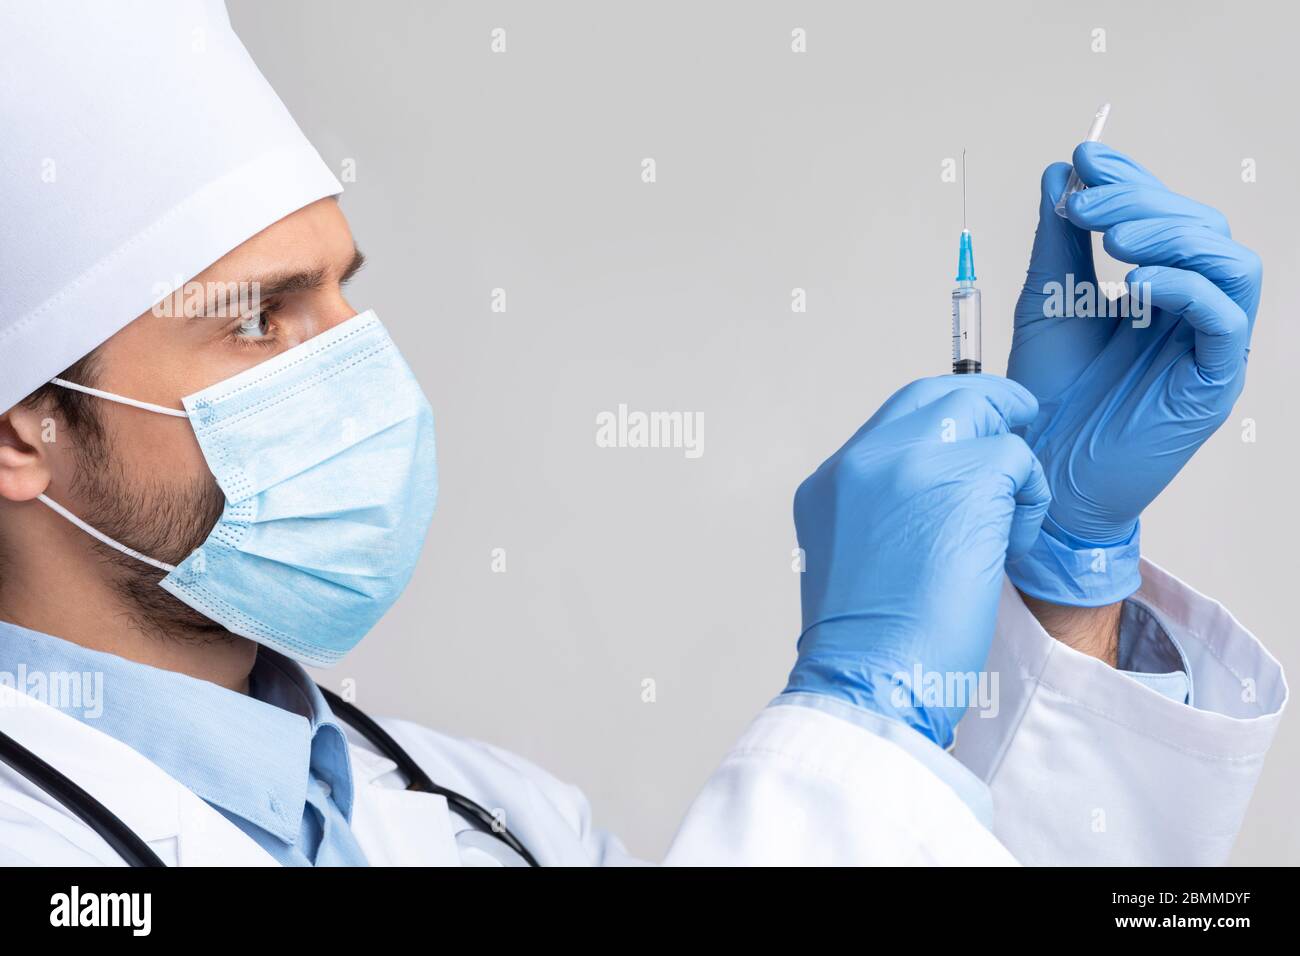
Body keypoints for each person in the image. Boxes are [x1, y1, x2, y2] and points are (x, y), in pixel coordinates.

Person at [0, 1, 1285, 866]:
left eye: (344, 289)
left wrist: (1064, 581)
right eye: (262, 321)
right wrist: (856, 717)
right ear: (24, 430)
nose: (354, 361)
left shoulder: (493, 816)